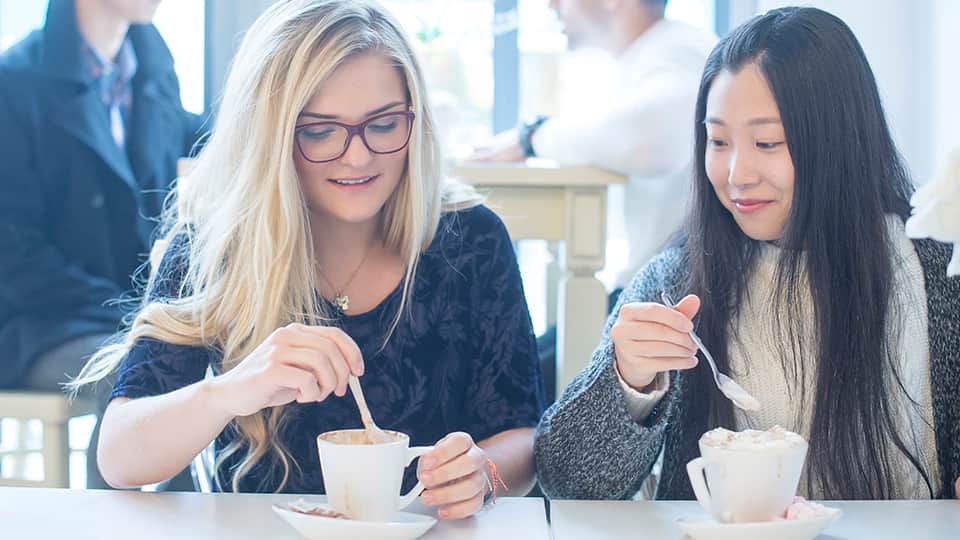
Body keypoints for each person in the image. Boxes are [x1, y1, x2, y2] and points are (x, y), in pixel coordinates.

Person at [69, 0, 544, 519]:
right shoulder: (217, 244)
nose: (358, 156)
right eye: (320, 131)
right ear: (272, 136)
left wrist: (483, 474)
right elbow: (118, 456)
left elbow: (520, 433)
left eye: (384, 125)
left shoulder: (470, 240)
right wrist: (229, 391)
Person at [534, 7, 960, 501]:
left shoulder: (936, 272)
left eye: (766, 142)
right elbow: (566, 482)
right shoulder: (678, 281)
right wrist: (628, 381)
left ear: (840, 138)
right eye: (718, 140)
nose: (737, 173)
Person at [0, 0, 204, 488]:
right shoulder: (15, 85)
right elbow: (14, 257)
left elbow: (195, 136)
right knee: (132, 371)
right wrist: (129, 315)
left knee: (205, 362)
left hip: (124, 316)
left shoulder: (151, 69)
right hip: (39, 326)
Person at [469, 0, 715, 402]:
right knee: (517, 369)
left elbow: (647, 142)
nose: (551, 5)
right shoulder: (655, 55)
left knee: (514, 389)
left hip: (669, 302)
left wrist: (533, 136)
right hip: (655, 292)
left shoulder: (677, 51)